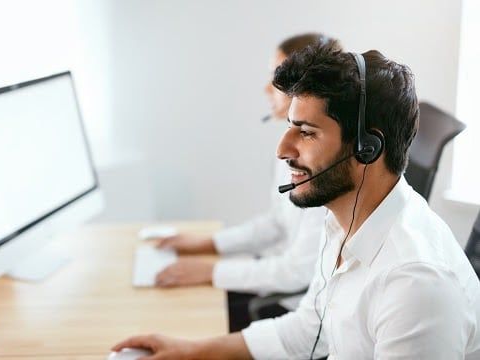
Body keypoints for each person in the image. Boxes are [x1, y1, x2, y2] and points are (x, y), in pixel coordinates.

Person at [112, 42, 480, 359]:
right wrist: (191, 351)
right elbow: (309, 328)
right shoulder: (342, 218)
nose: (281, 149)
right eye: (289, 126)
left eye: (305, 132)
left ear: (368, 148)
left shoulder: (416, 285)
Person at [153, 33, 341, 332]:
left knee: (186, 321)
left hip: (295, 310)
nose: (266, 88)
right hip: (277, 287)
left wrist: (211, 270)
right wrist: (210, 243)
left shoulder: (324, 169)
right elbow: (277, 222)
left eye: (276, 79)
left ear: (305, 90)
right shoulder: (291, 151)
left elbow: (297, 271)